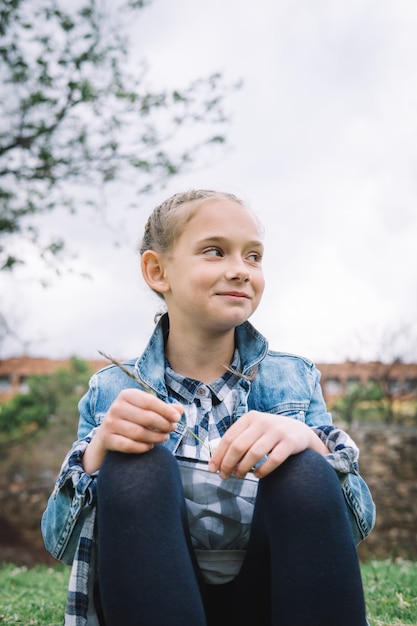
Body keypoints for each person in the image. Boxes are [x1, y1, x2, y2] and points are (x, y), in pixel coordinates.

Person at [42, 189, 376, 626]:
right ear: (157, 271)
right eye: (215, 252)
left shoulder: (294, 378)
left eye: (253, 256)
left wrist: (309, 441)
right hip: (154, 599)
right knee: (134, 464)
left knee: (305, 466)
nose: (240, 270)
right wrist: (100, 450)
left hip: (273, 599)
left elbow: (353, 528)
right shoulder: (111, 390)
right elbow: (59, 542)